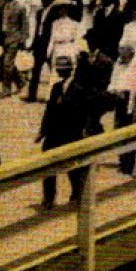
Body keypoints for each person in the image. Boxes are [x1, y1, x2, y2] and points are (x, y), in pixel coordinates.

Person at [36, 56, 92, 208]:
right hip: (54, 132)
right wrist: (42, 131)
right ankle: (49, 197)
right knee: (48, 165)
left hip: (70, 133)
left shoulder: (79, 89)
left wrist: (83, 131)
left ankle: (77, 194)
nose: (60, 72)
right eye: (59, 69)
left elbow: (84, 112)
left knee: (72, 167)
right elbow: (49, 111)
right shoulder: (56, 87)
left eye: (63, 69)